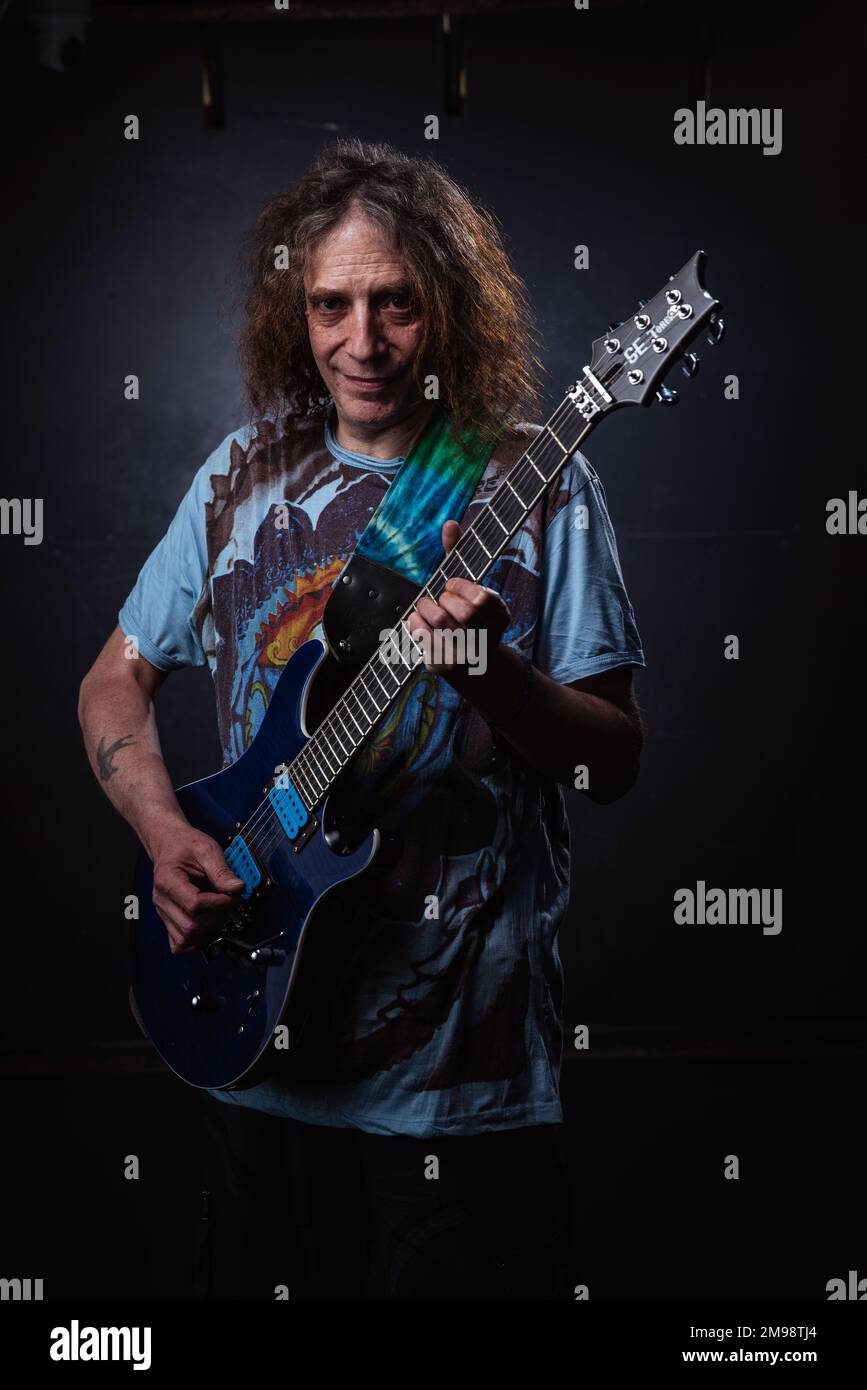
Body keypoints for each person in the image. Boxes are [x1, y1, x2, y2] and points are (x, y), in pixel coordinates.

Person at [78, 138, 646, 1300]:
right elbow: (111, 683)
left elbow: (617, 756)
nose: (363, 342)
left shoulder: (536, 485)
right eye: (332, 305)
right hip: (256, 1037)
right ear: (297, 311)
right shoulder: (238, 476)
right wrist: (159, 831)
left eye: (396, 304)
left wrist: (494, 677)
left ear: (447, 303)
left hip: (458, 1082)